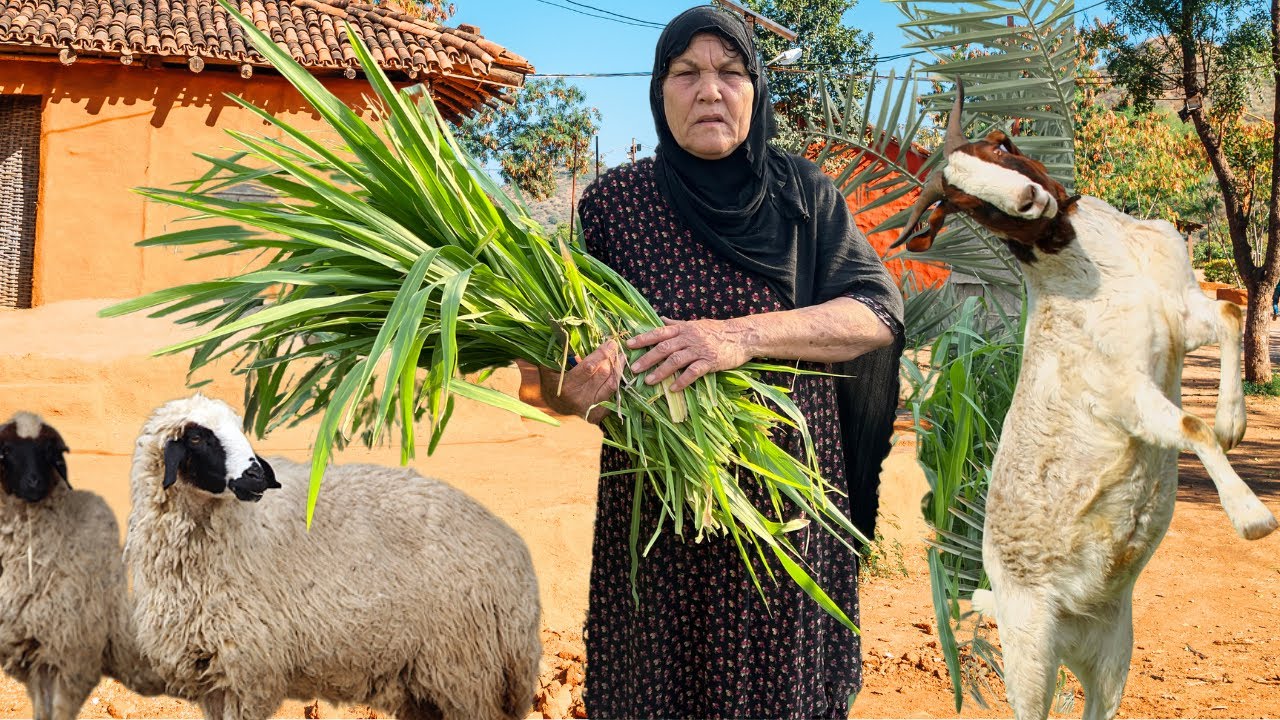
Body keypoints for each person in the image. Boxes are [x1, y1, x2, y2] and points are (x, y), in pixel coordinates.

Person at [537, 7, 905, 718]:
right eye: (687, 73)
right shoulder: (613, 208)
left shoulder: (803, 195)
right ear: (659, 91)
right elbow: (550, 376)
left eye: (731, 72)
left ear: (756, 89)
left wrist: (739, 337)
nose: (710, 90)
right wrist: (576, 392)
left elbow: (877, 313)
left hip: (783, 525)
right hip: (656, 520)